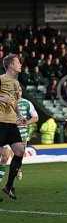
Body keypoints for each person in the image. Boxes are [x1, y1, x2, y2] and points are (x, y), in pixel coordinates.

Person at [0, 54, 25, 200]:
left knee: (20, 150)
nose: (20, 64)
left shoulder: (16, 83)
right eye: (17, 62)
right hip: (0, 121)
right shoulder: (1, 79)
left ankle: (8, 186)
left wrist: (19, 115)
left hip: (11, 122)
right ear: (10, 65)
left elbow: (14, 102)